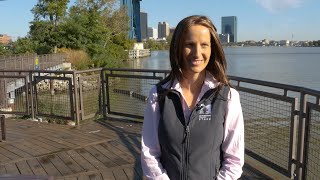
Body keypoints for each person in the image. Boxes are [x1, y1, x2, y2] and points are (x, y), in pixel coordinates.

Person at [141, 15, 244, 180]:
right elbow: (149, 152)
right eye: (189, 45)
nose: (197, 53)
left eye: (204, 45)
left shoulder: (228, 97)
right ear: (178, 48)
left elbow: (234, 159)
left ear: (212, 49)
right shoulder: (158, 95)